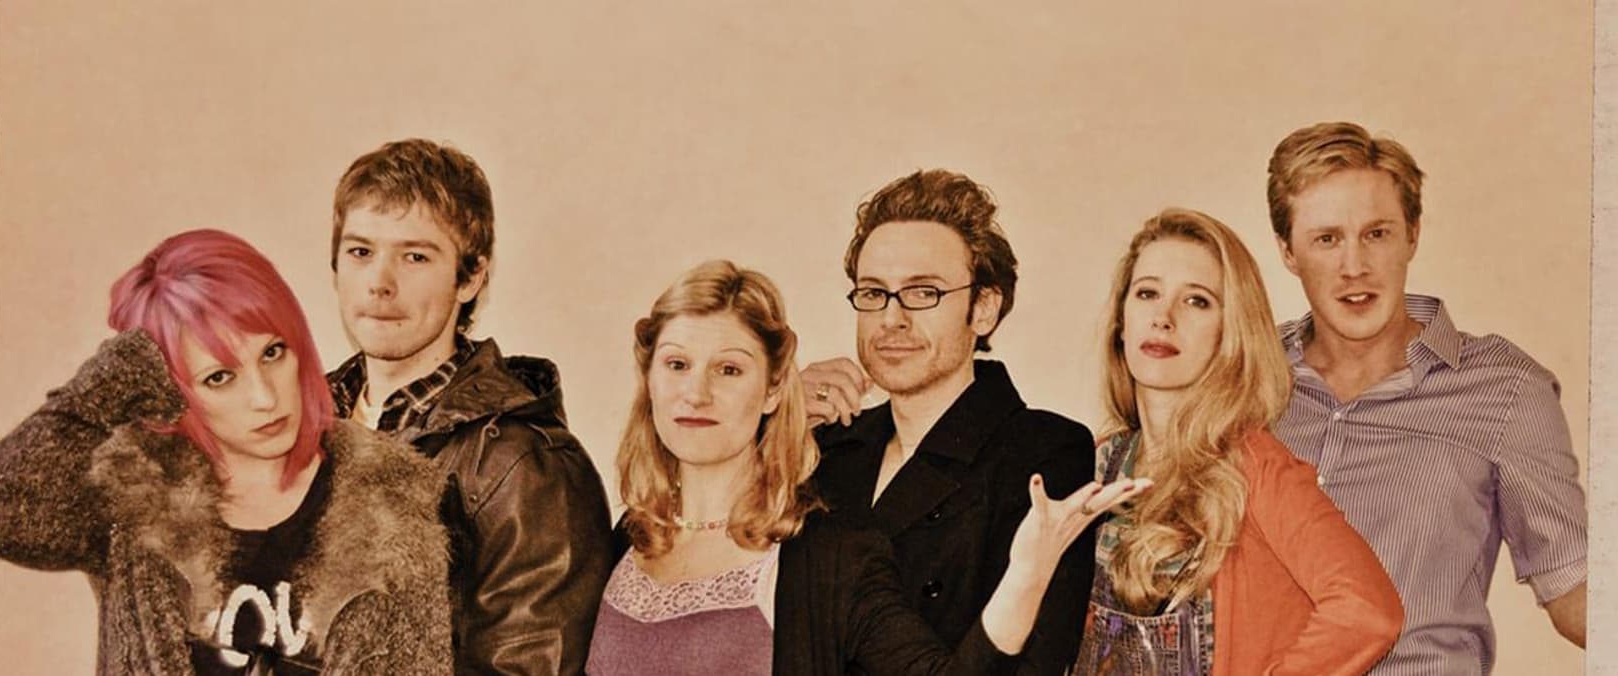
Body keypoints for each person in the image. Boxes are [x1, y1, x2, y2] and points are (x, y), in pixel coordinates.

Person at [586, 260, 1146, 675]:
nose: (696, 393)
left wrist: (1026, 574)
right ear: (649, 379)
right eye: (677, 364)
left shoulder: (829, 555)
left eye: (730, 370)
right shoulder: (629, 537)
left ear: (774, 388)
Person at [0, 228, 452, 674]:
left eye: (273, 353)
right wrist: (112, 378)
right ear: (170, 391)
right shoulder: (135, 501)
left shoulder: (390, 503)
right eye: (219, 377)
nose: (264, 397)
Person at [1263, 121, 1588, 673]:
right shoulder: (1245, 381)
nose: (1354, 267)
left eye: (1376, 234)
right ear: (1288, 251)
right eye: (1327, 239)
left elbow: (1573, 586)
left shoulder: (1503, 389)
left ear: (1412, 235)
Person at [323, 138, 613, 675]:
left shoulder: (527, 468)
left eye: (414, 257)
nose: (380, 283)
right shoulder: (297, 427)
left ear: (471, 276)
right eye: (361, 252)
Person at [1071, 208, 1402, 674]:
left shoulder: (1256, 469)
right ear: (1122, 321)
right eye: (1147, 293)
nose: (1163, 317)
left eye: (1197, 301)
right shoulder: (1096, 461)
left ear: (1231, 333)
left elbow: (1368, 611)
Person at [799, 169, 1097, 673]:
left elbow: (1036, 663)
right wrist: (772, 426)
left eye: (923, 292)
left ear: (984, 308)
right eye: (873, 292)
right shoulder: (825, 444)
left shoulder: (1044, 452)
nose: (891, 318)